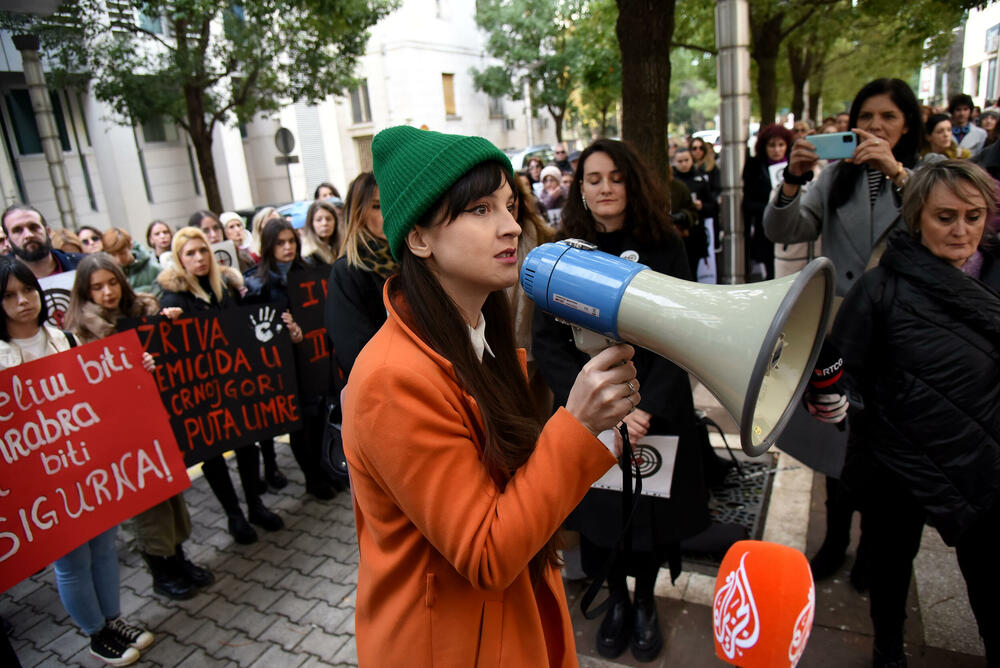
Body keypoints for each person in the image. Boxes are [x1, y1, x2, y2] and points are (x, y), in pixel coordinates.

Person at [342, 125, 635, 666]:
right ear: (419, 238)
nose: (510, 226)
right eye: (479, 210)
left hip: (503, 624)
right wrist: (577, 425)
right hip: (452, 645)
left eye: (508, 203)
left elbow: (519, 491)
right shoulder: (390, 382)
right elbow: (486, 553)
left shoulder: (481, 336)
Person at [533, 138, 715, 662]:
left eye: (615, 177)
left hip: (654, 411)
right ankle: (615, 601)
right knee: (602, 518)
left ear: (631, 184)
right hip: (590, 415)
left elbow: (684, 335)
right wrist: (602, 407)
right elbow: (549, 342)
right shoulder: (562, 255)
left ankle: (645, 603)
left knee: (651, 518)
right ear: (580, 190)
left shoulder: (667, 247)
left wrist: (644, 407)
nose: (606, 187)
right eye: (594, 179)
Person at [832, 161, 1000, 666]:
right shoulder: (878, 287)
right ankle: (887, 646)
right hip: (897, 465)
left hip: (982, 458)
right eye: (945, 216)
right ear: (916, 217)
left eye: (974, 216)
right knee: (889, 566)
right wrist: (838, 400)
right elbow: (843, 369)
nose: (961, 230)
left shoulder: (994, 276)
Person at [763, 78, 924, 584]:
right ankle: (834, 543)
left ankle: (874, 553)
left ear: (908, 125)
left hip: (902, 334)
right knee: (837, 440)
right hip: (840, 333)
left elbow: (940, 222)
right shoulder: (835, 179)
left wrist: (897, 173)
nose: (875, 127)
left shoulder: (927, 176)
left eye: (888, 118)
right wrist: (793, 178)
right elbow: (784, 229)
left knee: (888, 451)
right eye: (866, 117)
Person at [0, 258, 154, 665]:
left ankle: (113, 620)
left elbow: (99, 392)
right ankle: (95, 631)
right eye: (10, 296)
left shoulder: (66, 340)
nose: (22, 302)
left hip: (85, 467)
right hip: (39, 479)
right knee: (71, 560)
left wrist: (134, 369)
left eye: (28, 291)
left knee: (103, 547)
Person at [62, 253, 214, 601]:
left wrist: (169, 322)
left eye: (112, 282)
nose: (107, 293)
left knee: (171, 494)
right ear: (84, 292)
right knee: (146, 505)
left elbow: (167, 347)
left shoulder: (139, 315)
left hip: (155, 422)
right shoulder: (81, 332)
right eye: (97, 287)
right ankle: (161, 572)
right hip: (120, 432)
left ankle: (178, 559)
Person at [157, 227, 284, 544]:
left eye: (203, 251)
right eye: (190, 253)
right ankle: (234, 515)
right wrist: (166, 322)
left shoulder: (222, 288)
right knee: (212, 455)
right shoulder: (173, 298)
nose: (199, 258)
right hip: (200, 392)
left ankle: (255, 505)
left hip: (231, 383)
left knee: (247, 443)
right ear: (179, 259)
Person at [242, 219, 339, 499]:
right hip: (284, 368)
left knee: (320, 417)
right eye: (280, 243)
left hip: (313, 359)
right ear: (269, 246)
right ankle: (313, 478)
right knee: (300, 425)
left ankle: (327, 469)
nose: (287, 248)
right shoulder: (257, 284)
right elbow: (253, 333)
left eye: (291, 242)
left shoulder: (307, 271)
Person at [325, 172, 394, 381]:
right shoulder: (347, 272)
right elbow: (354, 351)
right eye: (376, 206)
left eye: (391, 202)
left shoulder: (415, 260)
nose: (387, 211)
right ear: (358, 213)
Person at [743, 124, 795, 281]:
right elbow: (747, 204)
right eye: (772, 145)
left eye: (781, 145)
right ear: (764, 147)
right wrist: (771, 208)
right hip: (766, 231)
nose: (777, 150)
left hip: (792, 232)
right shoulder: (754, 167)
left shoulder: (795, 167)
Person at [2, 204, 83, 278]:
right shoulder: (3, 277)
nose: (28, 235)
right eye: (17, 230)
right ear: (8, 239)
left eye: (33, 227)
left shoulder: (82, 265)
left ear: (48, 231)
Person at [673, 147, 717, 276]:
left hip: (695, 234)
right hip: (676, 233)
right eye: (680, 161)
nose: (684, 164)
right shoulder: (671, 182)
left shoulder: (701, 179)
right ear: (674, 162)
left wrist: (701, 206)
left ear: (692, 160)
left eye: (686, 160)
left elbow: (713, 207)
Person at [188, 210, 254, 272]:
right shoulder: (196, 267)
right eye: (206, 231)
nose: (213, 235)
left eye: (216, 228)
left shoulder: (243, 258)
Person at [101, 228, 162, 295]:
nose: (118, 259)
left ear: (130, 246)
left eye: (122, 253)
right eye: (113, 255)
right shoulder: (108, 273)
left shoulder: (153, 268)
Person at [300, 199, 342, 267]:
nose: (324, 223)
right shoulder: (308, 255)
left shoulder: (342, 247)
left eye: (328, 219)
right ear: (311, 223)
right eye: (319, 220)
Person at [689, 136, 721, 204]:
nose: (698, 151)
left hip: (708, 205)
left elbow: (717, 188)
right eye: (694, 148)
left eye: (701, 148)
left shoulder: (712, 166)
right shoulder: (688, 167)